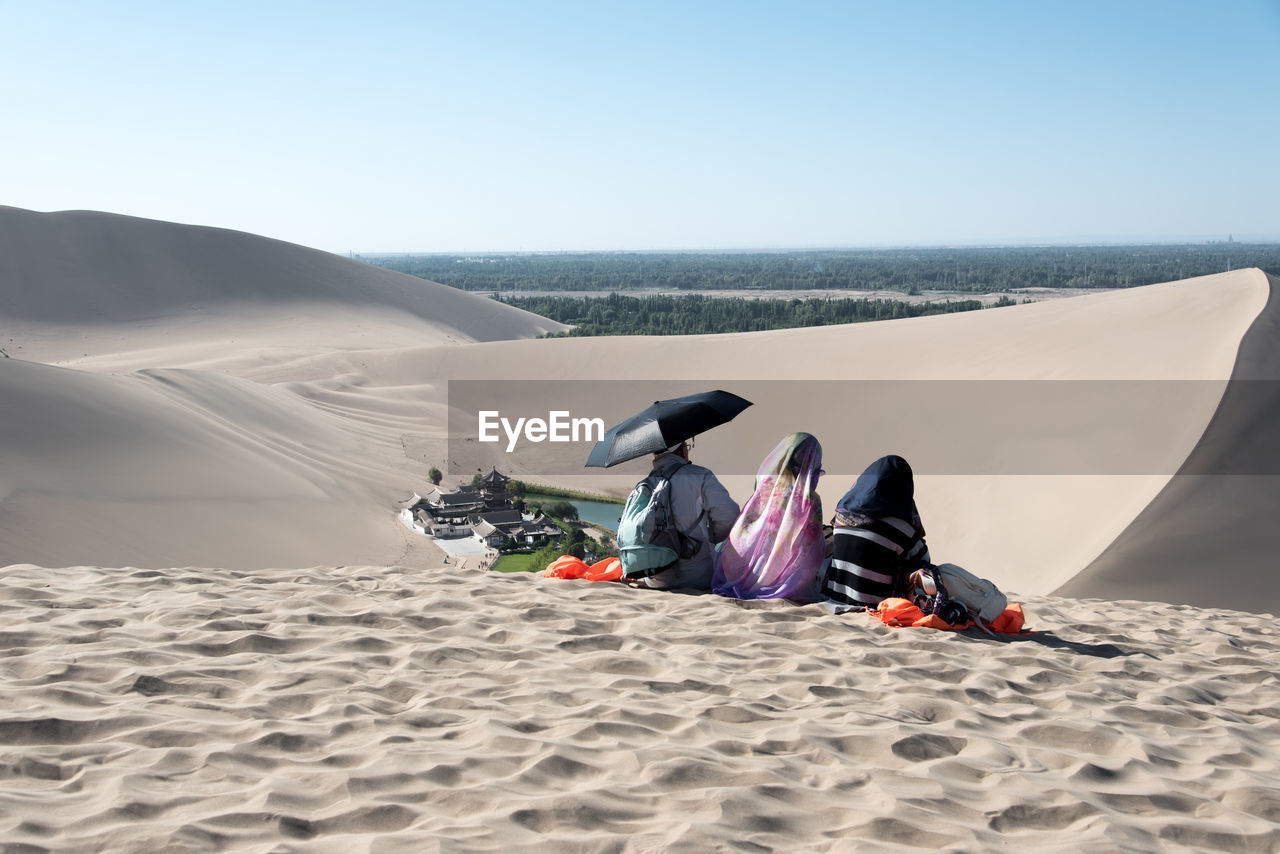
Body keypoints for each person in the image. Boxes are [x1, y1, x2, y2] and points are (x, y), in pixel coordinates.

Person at [712, 432, 825, 601]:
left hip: (740, 569)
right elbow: (808, 548)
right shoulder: (810, 500)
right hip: (781, 581)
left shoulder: (766, 489)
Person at [822, 454, 930, 609]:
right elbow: (925, 560)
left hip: (833, 598)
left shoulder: (840, 517)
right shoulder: (900, 527)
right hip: (874, 605)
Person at [639, 438, 740, 591]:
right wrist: (711, 539)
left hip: (655, 578)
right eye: (686, 446)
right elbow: (729, 515)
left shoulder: (645, 484)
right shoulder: (701, 475)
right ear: (680, 450)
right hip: (698, 577)